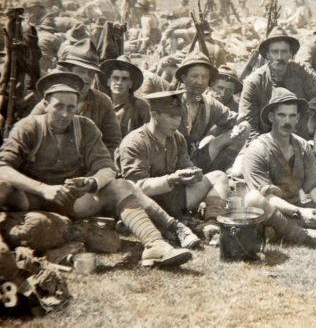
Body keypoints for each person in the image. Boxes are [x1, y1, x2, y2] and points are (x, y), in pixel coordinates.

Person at [0, 72, 192, 267]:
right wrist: (42, 188)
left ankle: (155, 245)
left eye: (71, 107)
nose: (65, 114)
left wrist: (91, 182)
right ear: (46, 104)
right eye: (58, 106)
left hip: (72, 200)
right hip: (30, 198)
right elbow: (3, 167)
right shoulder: (27, 127)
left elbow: (107, 168)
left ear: (78, 107)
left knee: (120, 186)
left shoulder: (84, 127)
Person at [242, 88, 316, 248]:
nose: (287, 121)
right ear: (271, 117)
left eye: (292, 116)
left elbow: (313, 184)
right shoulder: (257, 149)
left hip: (296, 208)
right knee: (253, 199)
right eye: (281, 115)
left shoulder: (302, 146)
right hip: (271, 209)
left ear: (298, 118)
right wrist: (300, 212)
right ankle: (305, 235)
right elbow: (267, 197)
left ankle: (288, 230)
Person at [116, 90, 229, 228]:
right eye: (171, 117)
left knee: (219, 176)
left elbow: (185, 164)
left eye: (180, 117)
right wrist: (172, 179)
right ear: (154, 115)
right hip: (146, 203)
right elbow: (135, 187)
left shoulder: (176, 137)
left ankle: (211, 223)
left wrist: (192, 172)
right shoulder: (135, 142)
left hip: (172, 198)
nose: (177, 122)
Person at [239, 26, 316, 164]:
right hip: (268, 134)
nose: (280, 57)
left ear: (291, 54)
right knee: (238, 172)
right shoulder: (254, 81)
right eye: (275, 52)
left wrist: (305, 110)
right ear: (267, 55)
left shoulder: (301, 70)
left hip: (298, 126)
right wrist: (262, 149)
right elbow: (248, 121)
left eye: (284, 52)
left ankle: (315, 163)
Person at [29, 38, 122, 157]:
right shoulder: (52, 100)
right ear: (69, 73)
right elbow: (29, 132)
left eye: (91, 74)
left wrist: (98, 164)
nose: (87, 78)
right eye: (81, 71)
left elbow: (113, 141)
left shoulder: (103, 102)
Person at [175, 51, 249, 172]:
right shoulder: (172, 103)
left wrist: (241, 126)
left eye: (204, 77)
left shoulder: (207, 103)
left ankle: (215, 172)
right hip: (171, 163)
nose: (200, 82)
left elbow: (236, 119)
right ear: (184, 78)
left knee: (244, 129)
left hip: (195, 159)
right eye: (194, 76)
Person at [99, 56, 150, 137]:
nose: (119, 82)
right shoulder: (101, 104)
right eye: (116, 78)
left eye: (124, 79)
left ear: (130, 84)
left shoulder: (140, 107)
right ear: (109, 82)